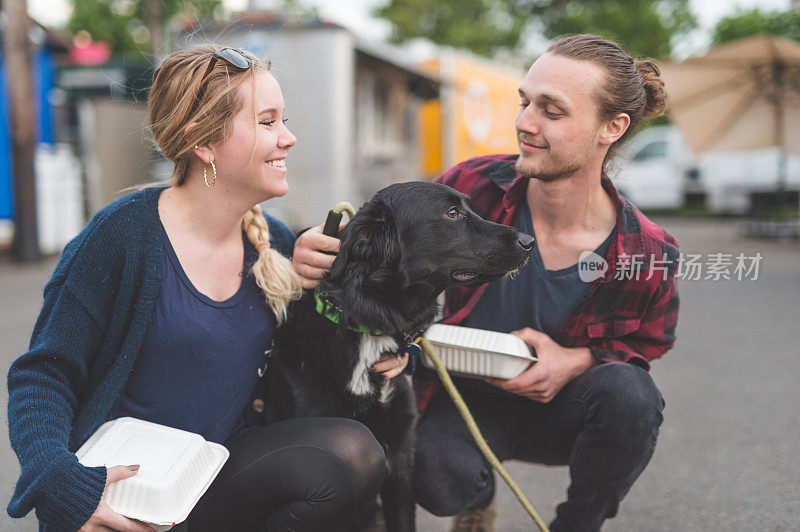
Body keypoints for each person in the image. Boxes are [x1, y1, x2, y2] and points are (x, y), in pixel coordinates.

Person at [6, 45, 401, 532]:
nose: (289, 138)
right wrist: (61, 484)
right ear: (204, 142)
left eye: (284, 120)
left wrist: (396, 349)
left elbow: (331, 347)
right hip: (132, 493)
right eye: (267, 122)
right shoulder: (121, 238)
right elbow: (41, 377)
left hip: (217, 478)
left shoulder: (274, 242)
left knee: (352, 456)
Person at [406, 34, 680, 532]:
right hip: (462, 399)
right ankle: (477, 494)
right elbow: (392, 249)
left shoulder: (647, 250)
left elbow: (650, 340)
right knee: (436, 479)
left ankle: (579, 523)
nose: (524, 123)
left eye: (551, 112)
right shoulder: (470, 188)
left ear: (611, 128)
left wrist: (573, 360)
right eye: (525, 101)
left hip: (562, 410)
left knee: (632, 398)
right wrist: (320, 245)